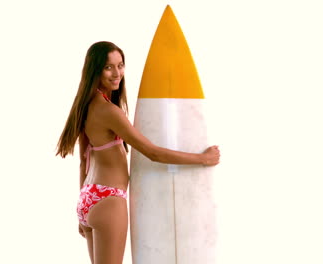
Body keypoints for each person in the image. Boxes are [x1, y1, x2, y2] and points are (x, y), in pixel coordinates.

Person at [56, 41, 220, 264]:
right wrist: (203, 159)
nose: (117, 73)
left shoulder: (86, 105)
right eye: (108, 67)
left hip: (89, 197)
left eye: (120, 65)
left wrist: (82, 209)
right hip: (109, 200)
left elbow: (83, 159)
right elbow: (152, 152)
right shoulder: (109, 111)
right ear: (95, 69)